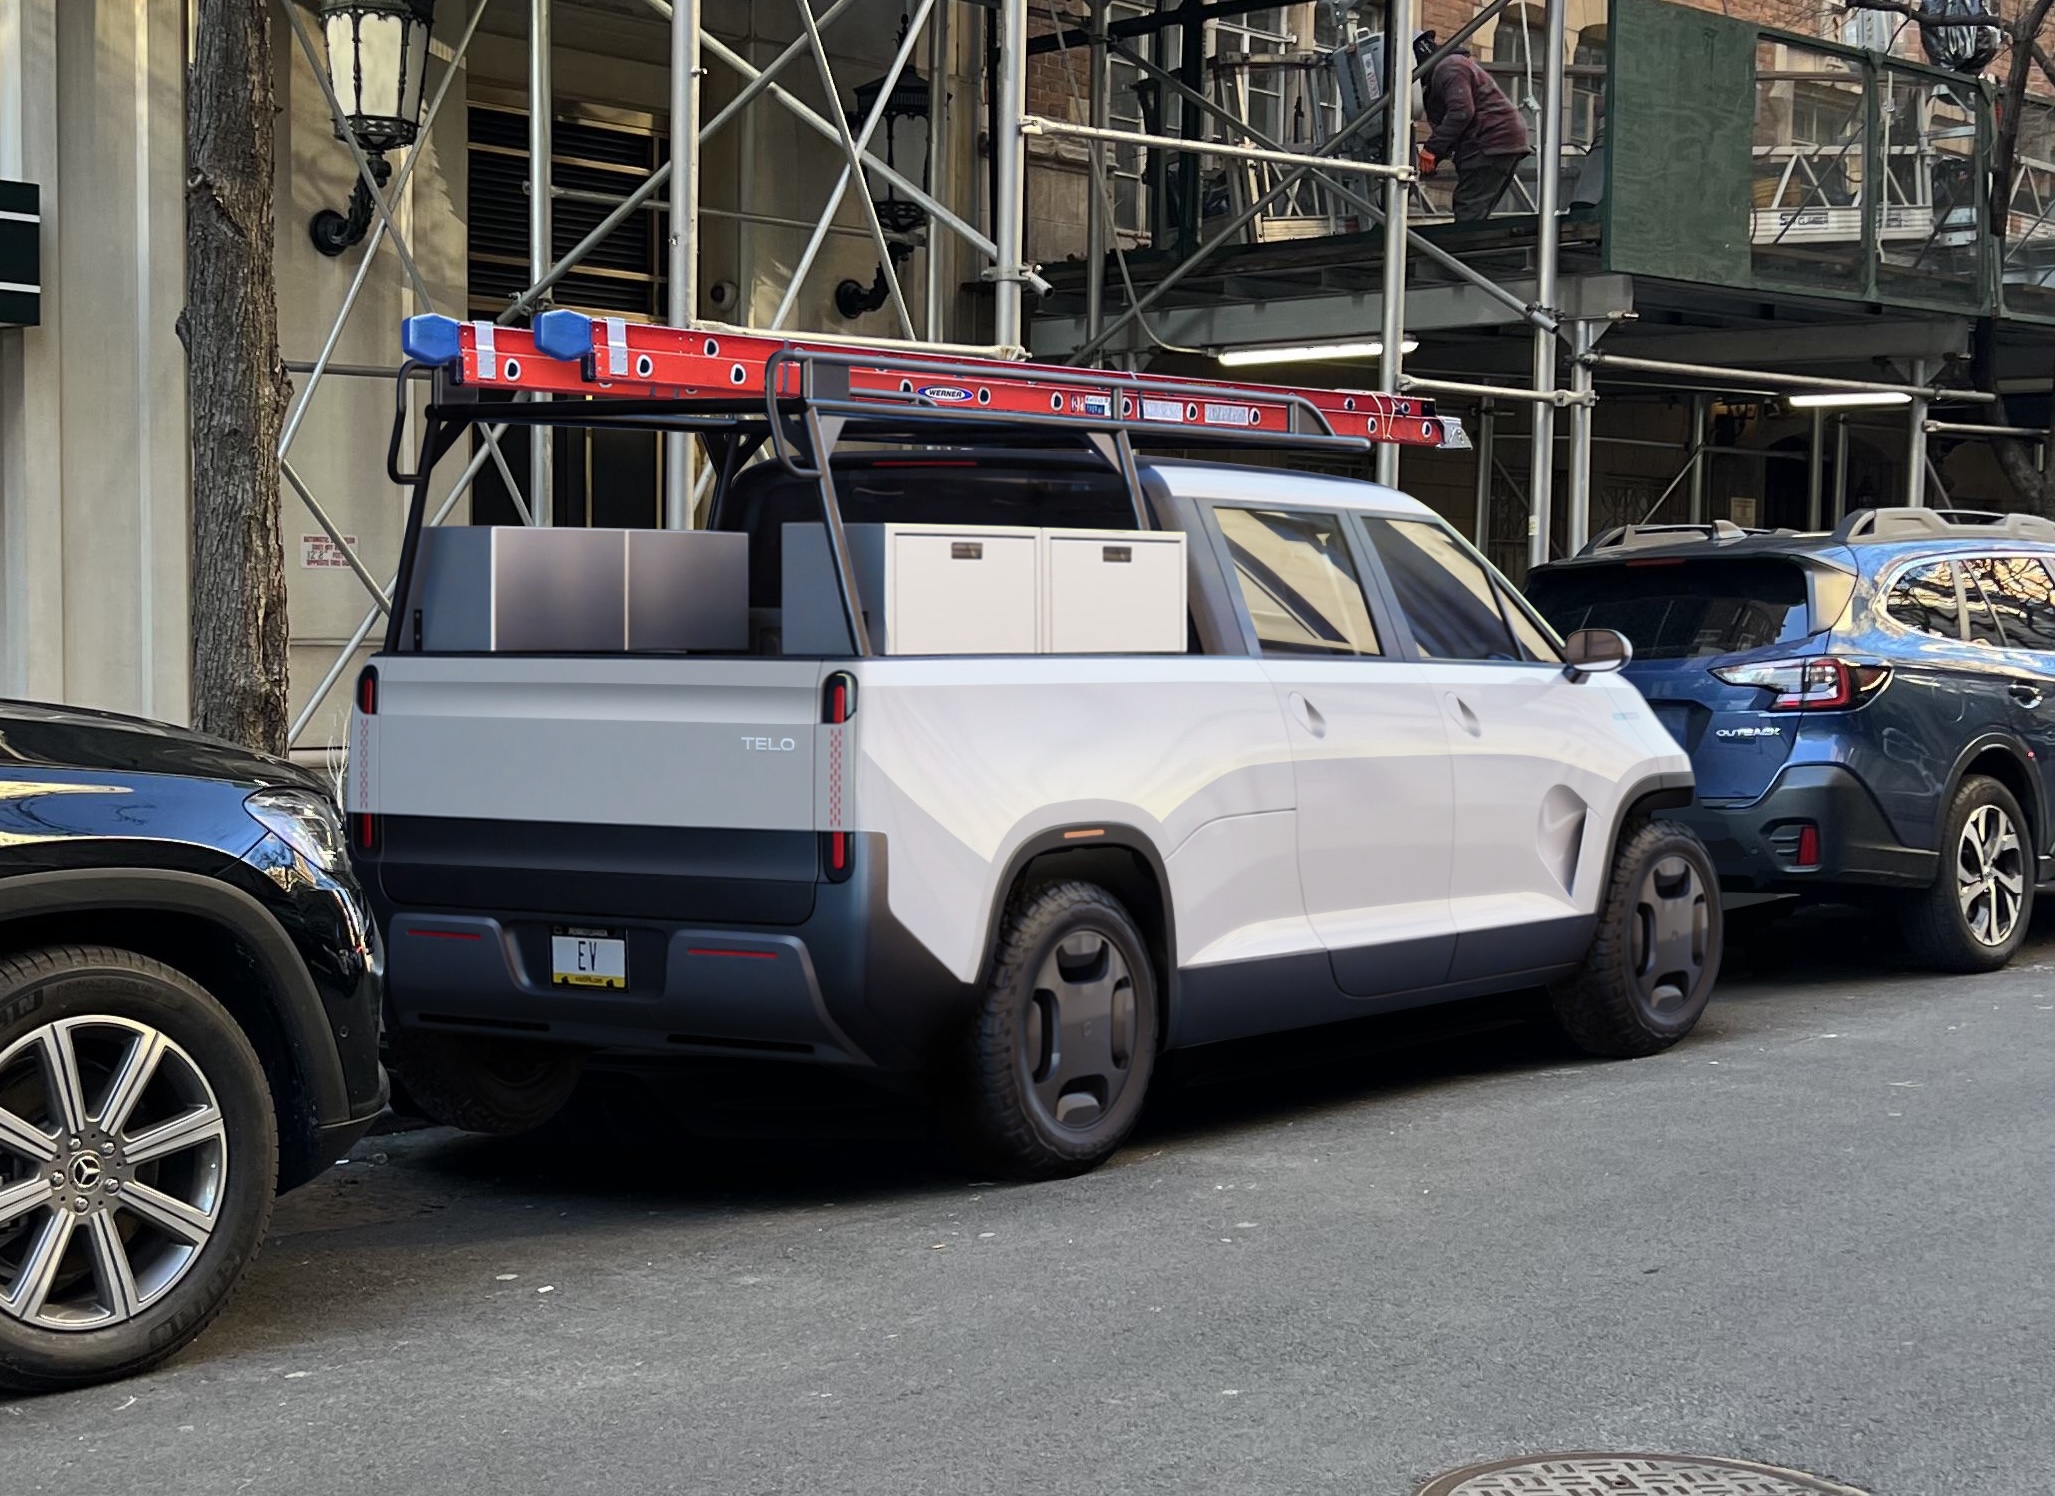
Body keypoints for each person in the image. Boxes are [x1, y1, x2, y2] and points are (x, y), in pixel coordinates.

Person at [1412, 29, 1532, 224]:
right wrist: (1436, 155)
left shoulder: (1449, 67)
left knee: (1468, 207)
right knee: (1477, 209)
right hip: (1500, 141)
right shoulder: (1448, 68)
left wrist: (1432, 149)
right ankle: (1474, 250)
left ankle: (1463, 254)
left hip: (1490, 141)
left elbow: (1461, 113)